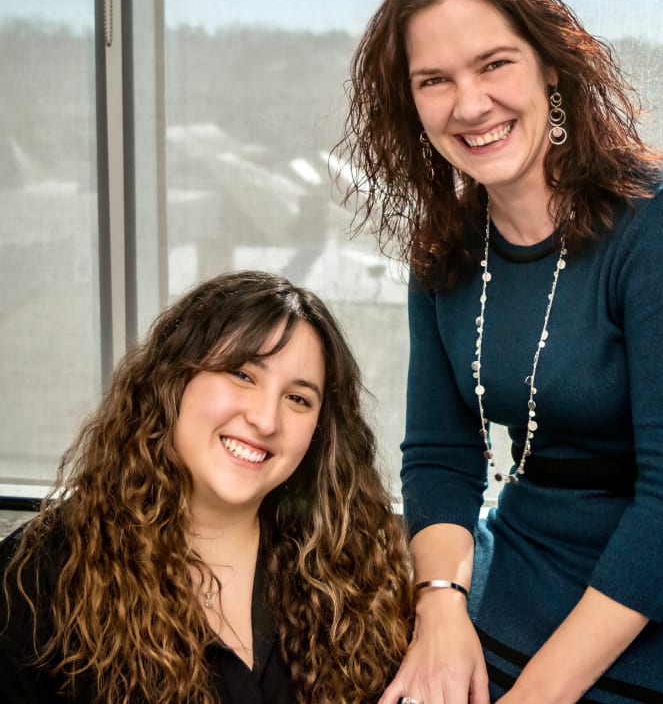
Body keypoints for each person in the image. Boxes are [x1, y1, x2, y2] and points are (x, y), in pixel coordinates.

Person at [334, 0, 663, 704]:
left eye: (493, 64)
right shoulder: (444, 244)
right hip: (528, 558)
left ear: (551, 69)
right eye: (433, 80)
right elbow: (440, 453)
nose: (468, 105)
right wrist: (439, 606)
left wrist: (537, 692)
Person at [0, 270, 413, 704]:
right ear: (173, 379)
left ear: (319, 435)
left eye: (298, 399)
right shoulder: (39, 577)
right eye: (242, 374)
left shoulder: (351, 583)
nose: (266, 420)